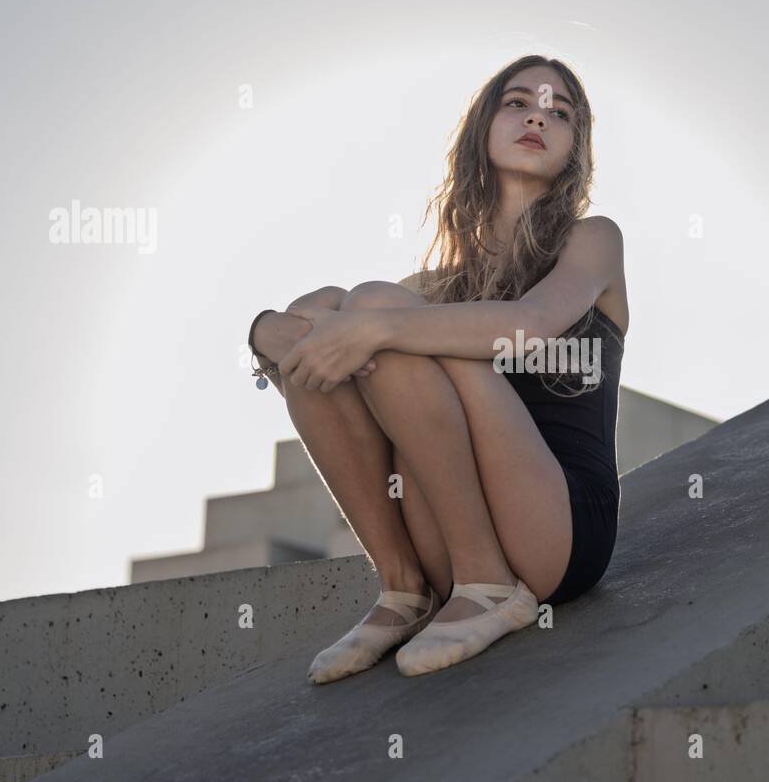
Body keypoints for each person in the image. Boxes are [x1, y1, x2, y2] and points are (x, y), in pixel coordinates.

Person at [245, 55, 628, 681]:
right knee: (357, 322)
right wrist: (264, 330)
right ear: (481, 127)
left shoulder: (593, 241)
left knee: (380, 315)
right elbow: (318, 316)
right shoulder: (432, 286)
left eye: (560, 113)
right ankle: (403, 589)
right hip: (443, 534)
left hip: (559, 527)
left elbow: (529, 323)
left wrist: (372, 324)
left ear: (575, 150)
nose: (538, 116)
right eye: (518, 103)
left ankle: (490, 584)